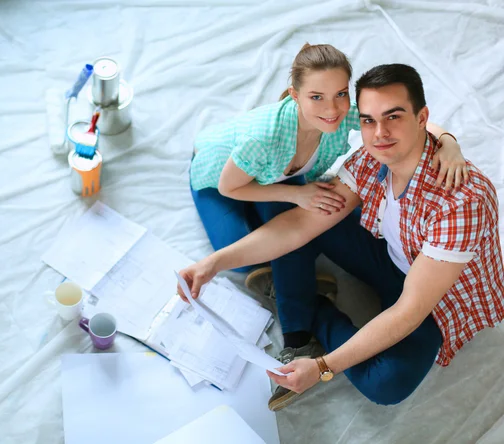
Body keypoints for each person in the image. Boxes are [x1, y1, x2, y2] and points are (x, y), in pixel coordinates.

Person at [179, 64, 504, 410]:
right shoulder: (370, 158)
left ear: (422, 117)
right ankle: (298, 320)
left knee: (387, 384)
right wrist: (213, 263)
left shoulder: (461, 203)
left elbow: (409, 310)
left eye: (393, 117)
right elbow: (299, 225)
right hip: (390, 255)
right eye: (368, 120)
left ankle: (311, 309)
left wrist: (322, 368)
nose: (380, 133)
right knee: (302, 205)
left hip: (436, 301)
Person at [190, 43, 467, 303]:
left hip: (276, 175)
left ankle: (293, 278)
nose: (332, 109)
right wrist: (297, 194)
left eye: (341, 94)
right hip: (220, 182)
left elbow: (404, 118)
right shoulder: (262, 138)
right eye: (316, 97)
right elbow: (230, 187)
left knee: (313, 219)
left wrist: (449, 143)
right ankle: (294, 286)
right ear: (295, 96)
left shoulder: (343, 114)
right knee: (245, 260)